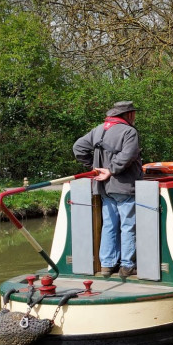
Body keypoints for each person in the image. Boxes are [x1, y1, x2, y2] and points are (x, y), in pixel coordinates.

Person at [73, 101, 143, 278]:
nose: (134, 117)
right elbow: (129, 155)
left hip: (103, 187)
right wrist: (111, 170)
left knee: (109, 225)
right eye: (133, 114)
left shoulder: (99, 129)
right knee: (128, 226)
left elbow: (78, 148)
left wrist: (96, 168)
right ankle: (127, 266)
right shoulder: (129, 132)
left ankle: (107, 264)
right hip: (124, 186)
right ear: (128, 115)